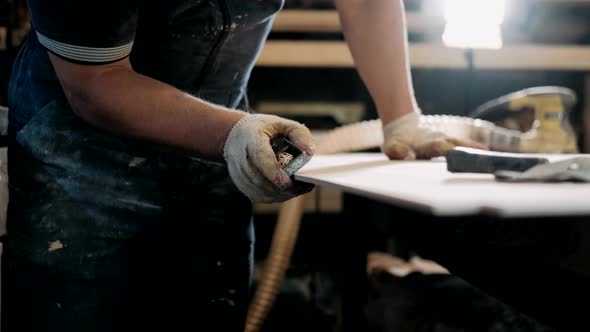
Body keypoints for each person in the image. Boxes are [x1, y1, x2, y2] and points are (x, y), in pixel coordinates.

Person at [2, 0, 476, 331]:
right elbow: (95, 83)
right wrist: (230, 134)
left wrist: (402, 119)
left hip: (213, 154)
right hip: (79, 162)